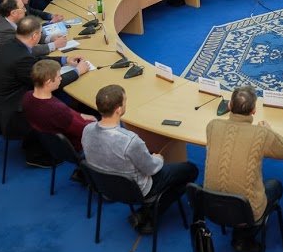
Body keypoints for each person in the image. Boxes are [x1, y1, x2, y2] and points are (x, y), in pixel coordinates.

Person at [82, 85, 199, 235]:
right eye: (125, 100)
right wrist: (158, 158)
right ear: (119, 109)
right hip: (138, 190)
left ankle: (146, 212)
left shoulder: (87, 130)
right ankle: (151, 213)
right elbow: (152, 169)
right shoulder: (130, 140)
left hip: (104, 186)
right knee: (191, 170)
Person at [0, 17, 89, 167]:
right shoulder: (21, 58)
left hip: (0, 101)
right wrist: (78, 72)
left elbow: (36, 59)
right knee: (51, 100)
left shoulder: (14, 44)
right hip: (11, 113)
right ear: (34, 36)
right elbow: (48, 83)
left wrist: (64, 60)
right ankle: (37, 154)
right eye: (40, 33)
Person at [204, 86, 283, 252]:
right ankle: (243, 237)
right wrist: (268, 130)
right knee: (276, 185)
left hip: (211, 206)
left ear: (229, 105)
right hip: (247, 212)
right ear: (254, 110)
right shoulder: (261, 134)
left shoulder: (212, 126)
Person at [0, 0, 65, 79]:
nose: (25, 10)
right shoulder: (3, 32)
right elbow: (23, 50)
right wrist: (53, 45)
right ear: (13, 13)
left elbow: (27, 33)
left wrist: (50, 38)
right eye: (22, 8)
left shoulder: (8, 19)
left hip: (8, 61)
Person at [22, 59, 96, 154]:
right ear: (49, 82)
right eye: (58, 76)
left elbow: (67, 114)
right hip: (76, 146)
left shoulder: (28, 96)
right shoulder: (58, 111)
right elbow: (83, 130)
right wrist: (94, 122)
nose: (61, 79)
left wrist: (80, 115)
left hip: (47, 139)